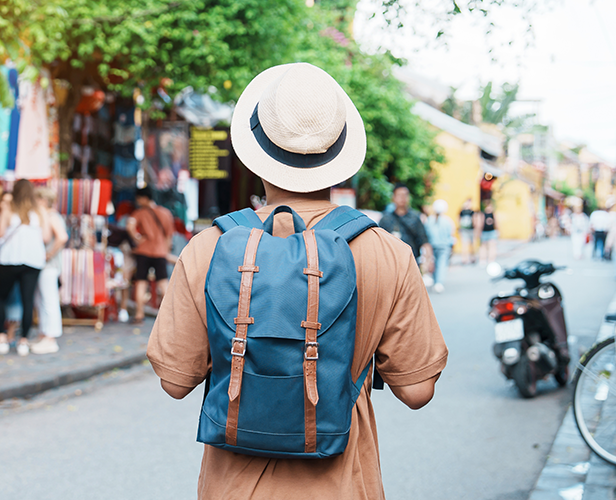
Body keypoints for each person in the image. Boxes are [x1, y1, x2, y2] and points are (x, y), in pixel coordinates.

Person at [146, 62, 448, 499]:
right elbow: (418, 390)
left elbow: (175, 382)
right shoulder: (388, 253)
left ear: (257, 154)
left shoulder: (210, 248)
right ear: (340, 159)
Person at [0, 179, 51, 356]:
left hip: (10, 258)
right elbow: (46, 237)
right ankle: (23, 341)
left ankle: (1, 337)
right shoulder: (39, 210)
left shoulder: (9, 208)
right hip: (33, 260)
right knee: (27, 299)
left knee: (0, 296)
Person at [126, 186, 174, 324]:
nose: (138, 201)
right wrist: (165, 250)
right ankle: (166, 316)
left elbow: (130, 226)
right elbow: (169, 236)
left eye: (139, 199)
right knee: (163, 283)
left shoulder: (139, 213)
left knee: (141, 283)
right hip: (160, 251)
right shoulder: (165, 213)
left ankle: (139, 314)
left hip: (143, 251)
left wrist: (137, 238)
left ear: (144, 198)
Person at [30, 187, 68, 354]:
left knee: (48, 300)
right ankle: (45, 334)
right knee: (42, 300)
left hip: (49, 266)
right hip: (46, 265)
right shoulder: (48, 216)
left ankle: (50, 337)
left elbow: (62, 237)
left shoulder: (51, 216)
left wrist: (49, 254)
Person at [379, 183, 431, 269]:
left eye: (405, 195)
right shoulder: (386, 219)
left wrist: (428, 260)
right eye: (399, 195)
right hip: (391, 265)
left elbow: (424, 240)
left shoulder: (415, 218)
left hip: (411, 263)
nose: (402, 198)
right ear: (393, 197)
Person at [425, 199, 455, 293]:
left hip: (432, 245)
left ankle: (435, 281)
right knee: (442, 264)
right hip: (444, 246)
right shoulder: (447, 221)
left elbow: (426, 233)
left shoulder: (429, 220)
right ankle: (439, 283)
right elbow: (451, 234)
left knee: (433, 263)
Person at [458, 198, 476, 264]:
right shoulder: (462, 211)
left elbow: (474, 220)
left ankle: (472, 257)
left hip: (470, 229)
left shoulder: (472, 212)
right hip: (464, 229)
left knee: (472, 244)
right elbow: (458, 219)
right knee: (464, 244)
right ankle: (464, 258)